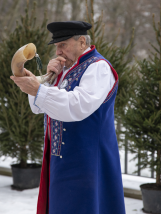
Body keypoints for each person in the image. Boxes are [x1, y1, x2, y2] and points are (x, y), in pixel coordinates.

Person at [10, 21, 126, 214]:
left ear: (82, 42)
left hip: (87, 159)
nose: (58, 52)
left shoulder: (99, 68)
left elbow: (77, 105)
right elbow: (40, 107)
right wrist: (46, 80)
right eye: (56, 47)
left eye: (63, 45)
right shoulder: (66, 69)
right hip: (62, 159)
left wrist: (38, 89)